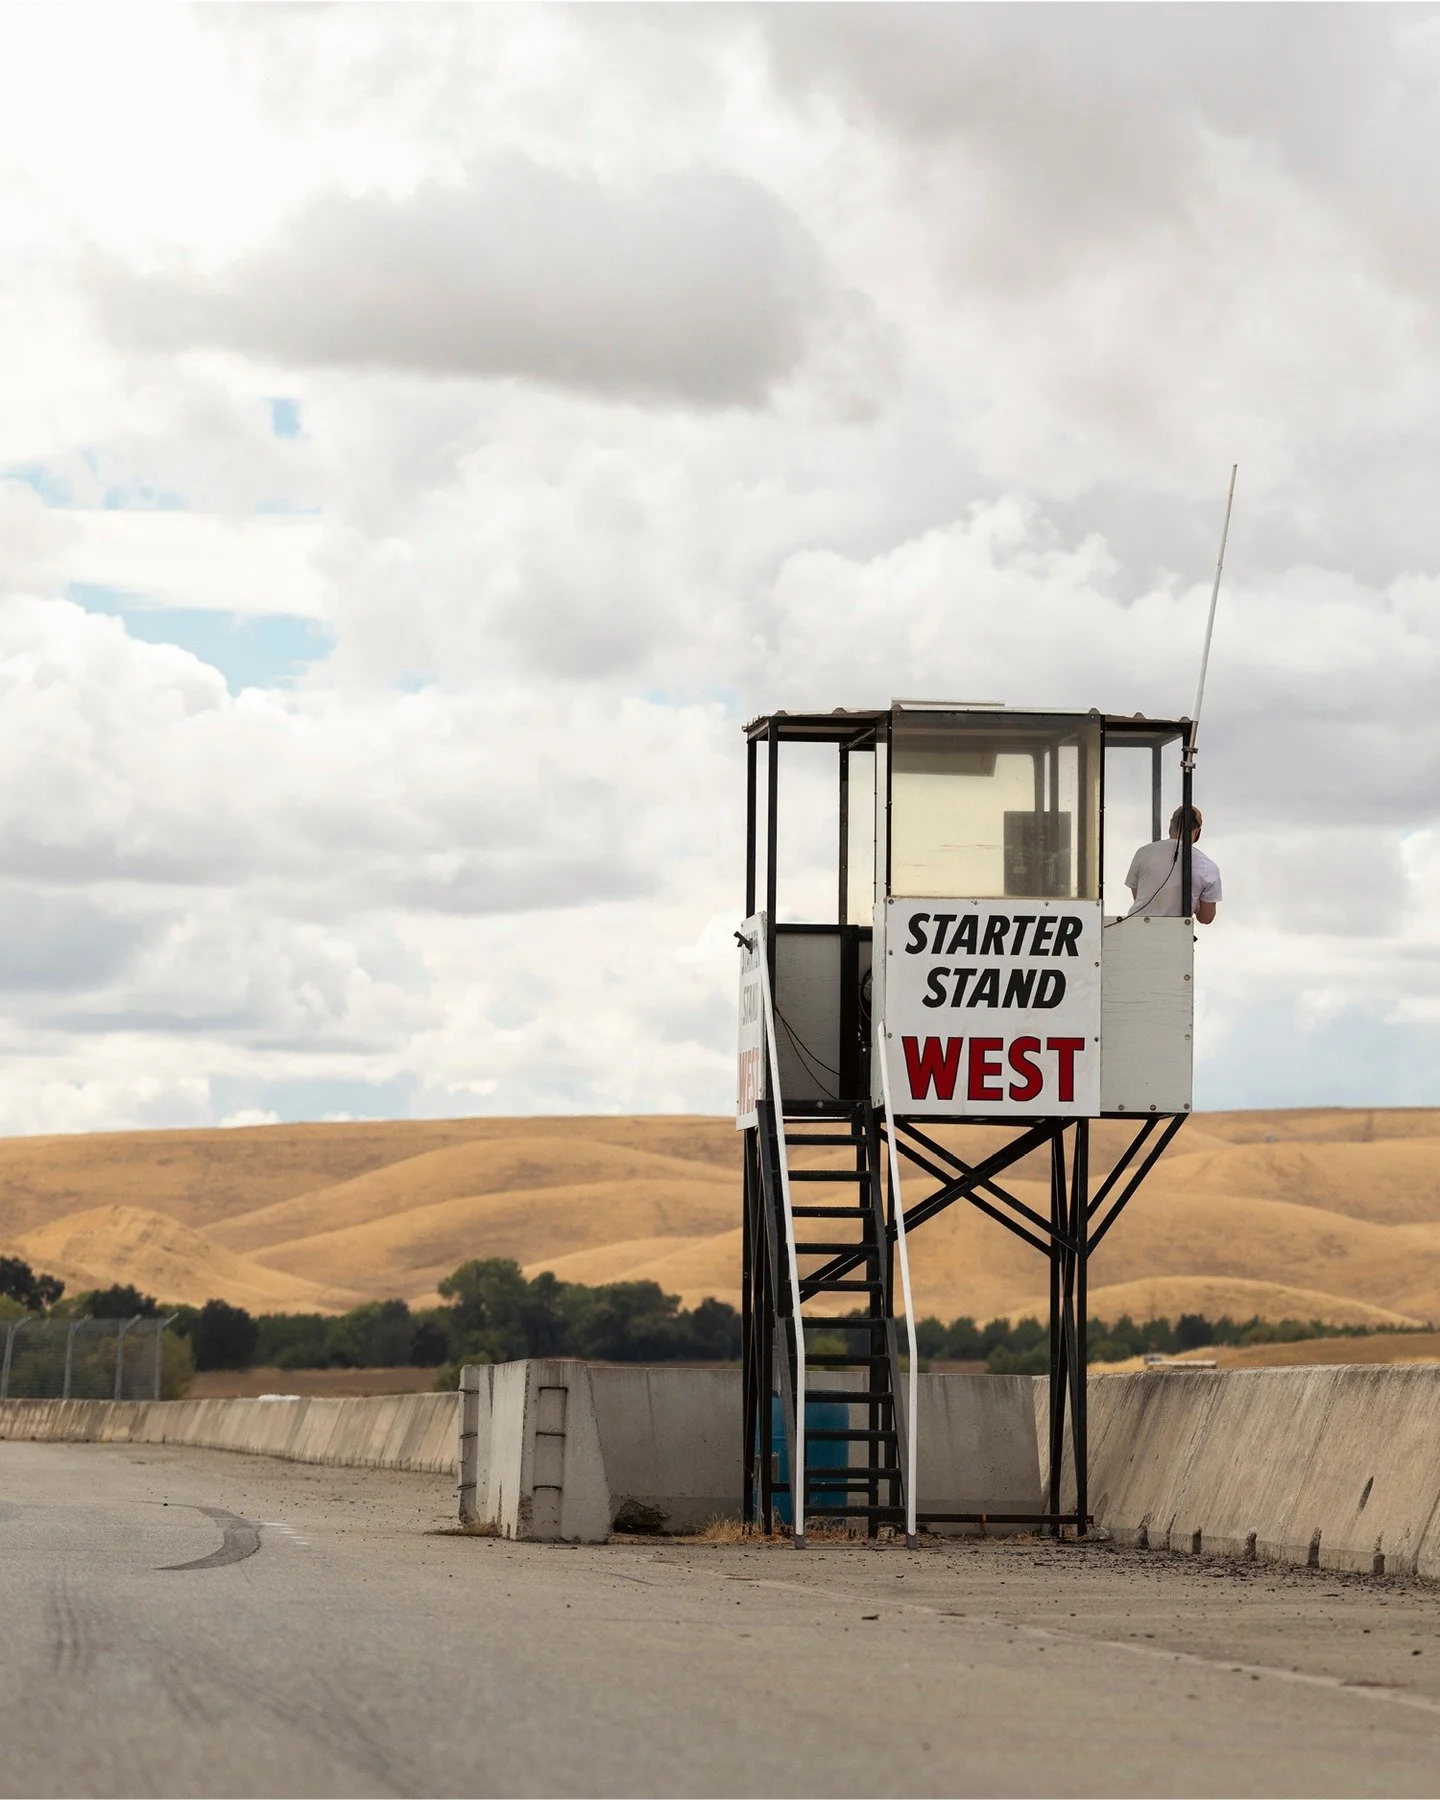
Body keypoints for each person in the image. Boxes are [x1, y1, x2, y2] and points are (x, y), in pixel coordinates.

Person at [1125, 805, 1221, 924]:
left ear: (1171, 827)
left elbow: (1138, 897)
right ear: (1197, 832)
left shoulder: (1143, 853)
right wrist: (1195, 906)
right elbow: (1206, 918)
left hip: (1135, 928)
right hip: (1176, 931)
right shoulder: (1208, 867)